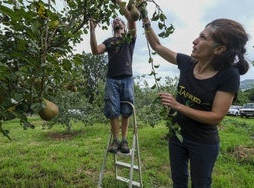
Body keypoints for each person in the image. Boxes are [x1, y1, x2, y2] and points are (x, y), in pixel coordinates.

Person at [138, 2, 249, 187]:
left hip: (203, 143)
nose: (195, 41)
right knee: (178, 182)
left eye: (202, 37)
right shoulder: (187, 63)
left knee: (200, 184)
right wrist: (144, 16)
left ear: (219, 49)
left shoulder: (228, 75)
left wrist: (177, 105)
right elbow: (157, 46)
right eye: (199, 35)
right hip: (178, 135)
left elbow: (216, 117)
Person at [90, 0, 137, 154]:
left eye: (119, 20)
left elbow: (132, 19)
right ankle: (115, 140)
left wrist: (120, 4)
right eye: (114, 20)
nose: (116, 20)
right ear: (113, 27)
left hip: (127, 78)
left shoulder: (129, 38)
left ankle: (124, 139)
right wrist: (92, 31)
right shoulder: (109, 41)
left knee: (126, 109)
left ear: (123, 25)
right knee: (112, 109)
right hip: (112, 79)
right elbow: (96, 51)